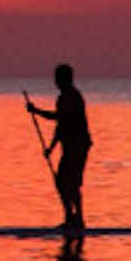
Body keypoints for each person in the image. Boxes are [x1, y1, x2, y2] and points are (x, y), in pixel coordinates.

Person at [24, 63, 91, 232]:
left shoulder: (73, 97)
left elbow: (60, 117)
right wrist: (51, 148)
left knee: (72, 182)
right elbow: (61, 127)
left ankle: (78, 220)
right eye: (56, 78)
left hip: (79, 146)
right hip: (68, 146)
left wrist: (36, 111)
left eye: (59, 78)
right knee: (61, 181)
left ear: (67, 79)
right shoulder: (61, 98)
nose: (56, 82)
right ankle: (70, 217)